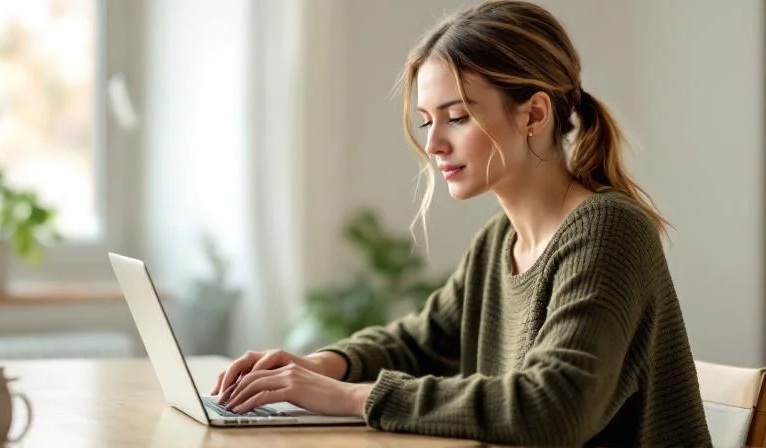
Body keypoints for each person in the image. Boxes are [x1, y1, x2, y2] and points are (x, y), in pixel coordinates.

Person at [209, 1, 712, 445]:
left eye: (457, 116)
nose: (433, 145)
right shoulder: (499, 243)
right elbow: (417, 342)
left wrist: (348, 396)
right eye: (427, 121)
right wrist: (321, 365)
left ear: (534, 114)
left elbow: (552, 407)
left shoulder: (609, 231)